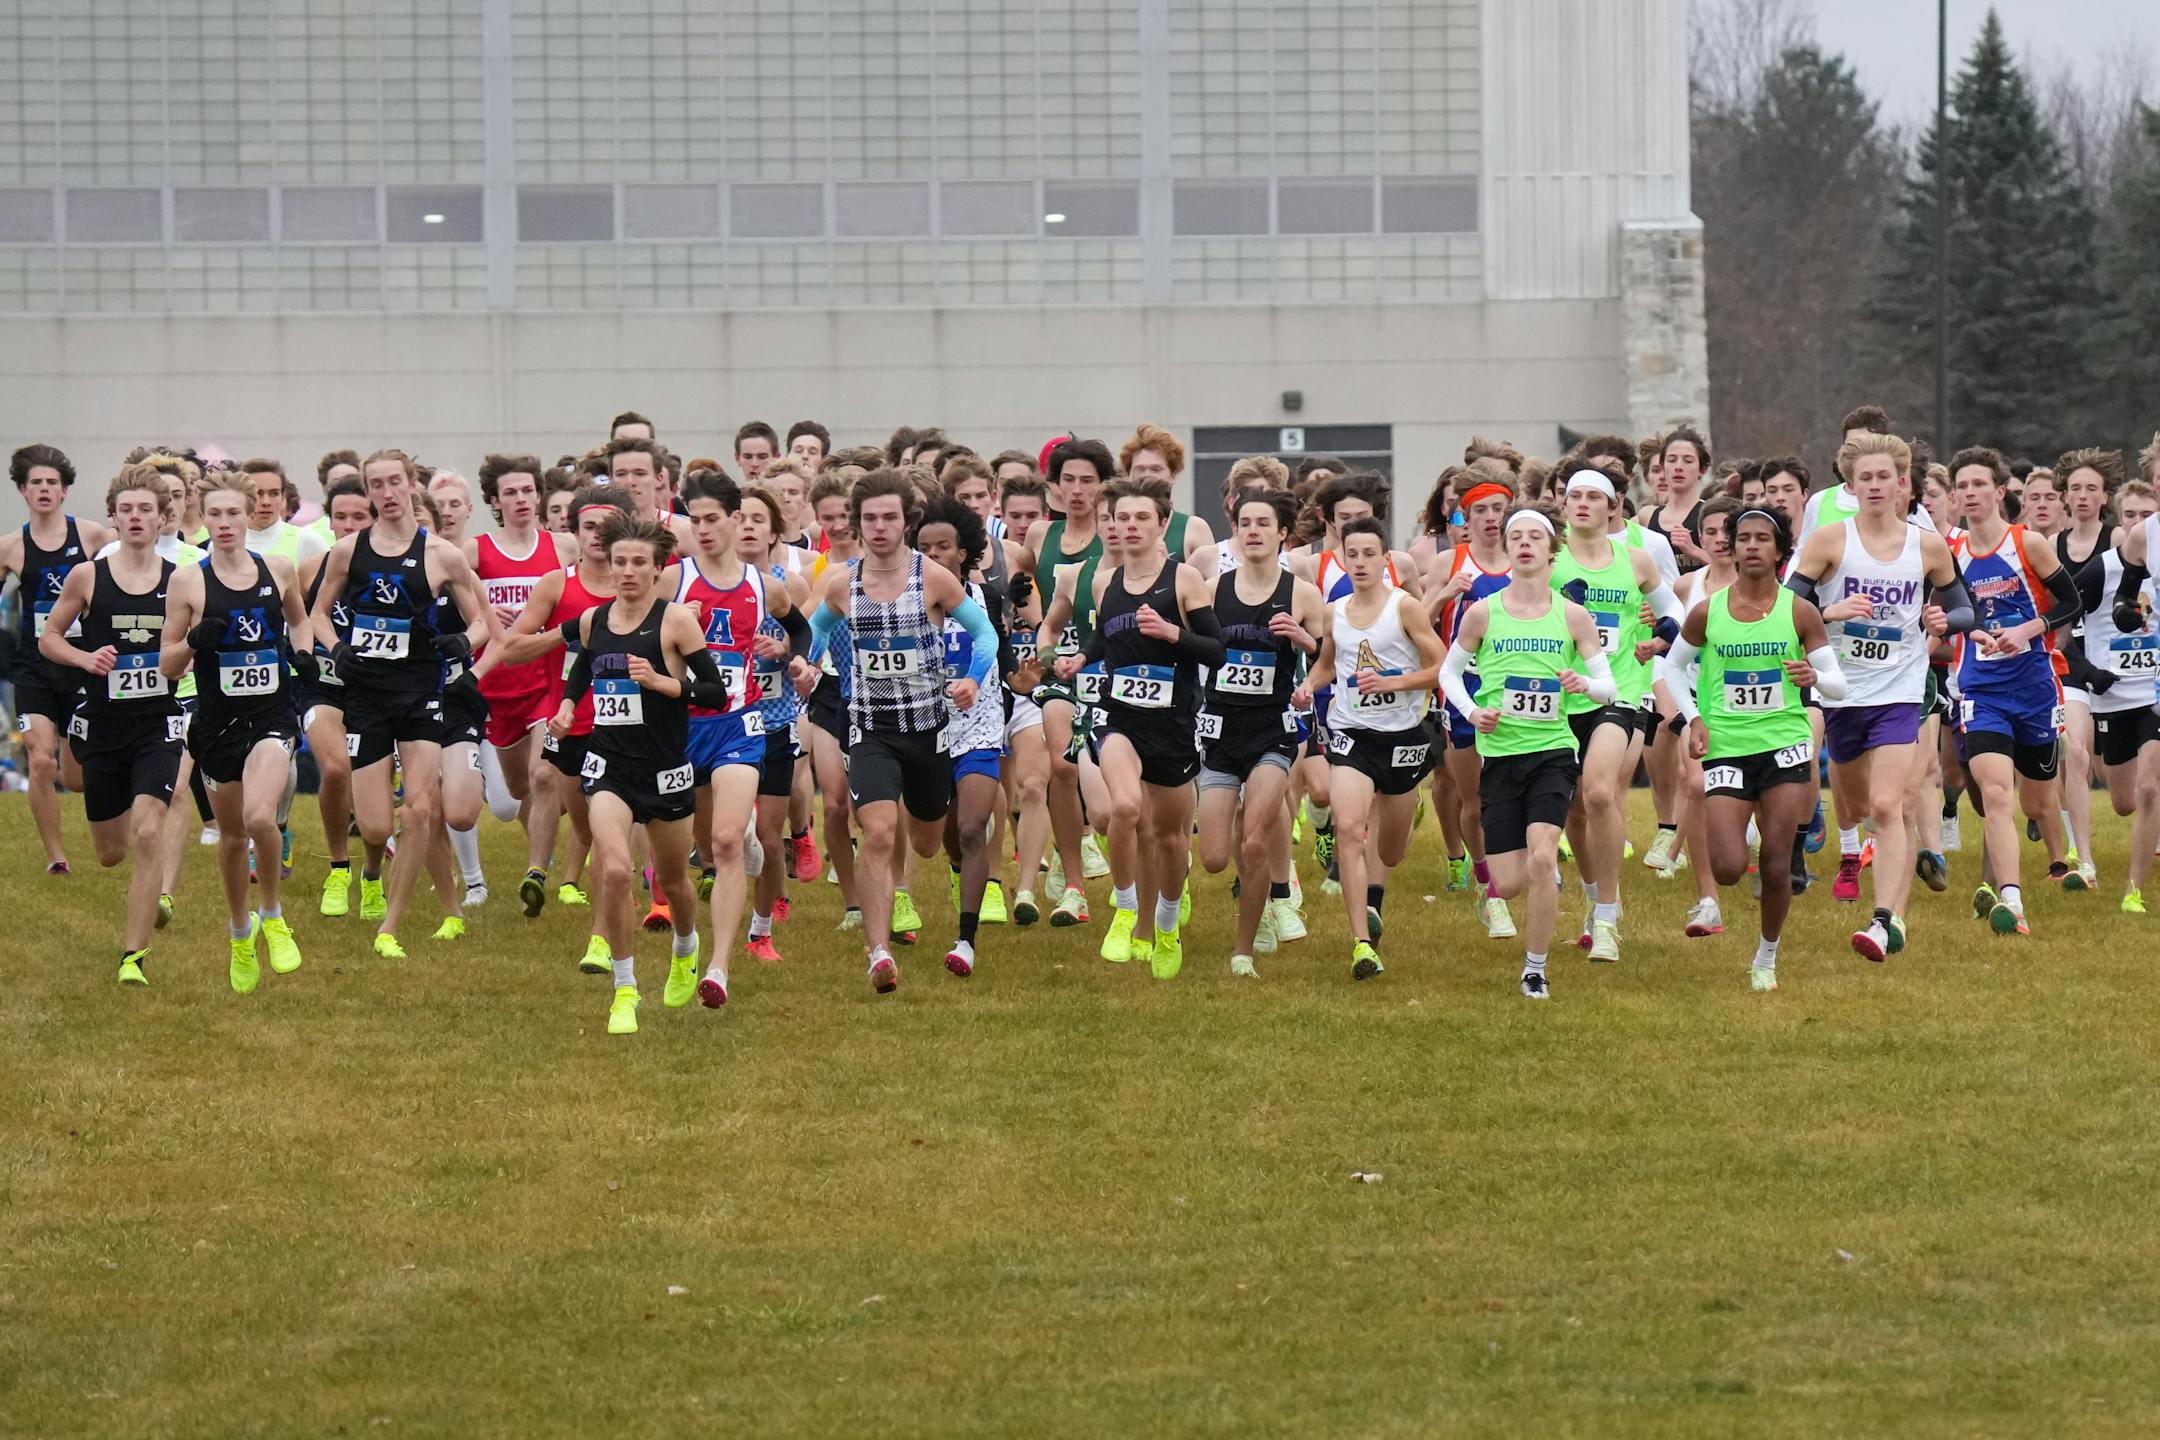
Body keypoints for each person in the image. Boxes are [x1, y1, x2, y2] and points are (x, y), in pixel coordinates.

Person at [798, 469, 1002, 993]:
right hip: (870, 728)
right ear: (858, 524)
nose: (880, 527)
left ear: (906, 522)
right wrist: (807, 666)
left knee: (930, 841)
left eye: (890, 517)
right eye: (870, 519)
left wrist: (973, 682)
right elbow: (817, 631)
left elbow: (985, 636)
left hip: (928, 729)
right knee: (880, 834)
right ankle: (879, 951)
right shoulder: (843, 582)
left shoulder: (932, 577)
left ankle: (951, 875)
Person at [309, 449, 499, 961]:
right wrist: (336, 648)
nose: (388, 493)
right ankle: (452, 912)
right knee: (374, 825)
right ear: (368, 492)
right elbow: (318, 614)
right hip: (365, 697)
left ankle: (389, 927)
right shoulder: (348, 552)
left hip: (422, 697)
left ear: (412, 485)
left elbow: (483, 621)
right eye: (378, 485)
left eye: (396, 482)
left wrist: (465, 643)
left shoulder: (442, 554)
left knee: (419, 809)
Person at [550, 512, 737, 1035]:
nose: (628, 571)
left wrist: (662, 683)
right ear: (608, 566)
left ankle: (684, 949)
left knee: (675, 882)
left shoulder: (676, 621)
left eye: (639, 562)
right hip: (608, 766)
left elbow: (715, 692)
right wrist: (566, 710)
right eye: (619, 562)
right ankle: (625, 989)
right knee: (613, 871)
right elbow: (582, 672)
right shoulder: (594, 621)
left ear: (658, 568)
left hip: (667, 770)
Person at [1787, 434, 1971, 957]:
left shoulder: (1926, 545)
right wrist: (1830, 613)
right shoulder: (1829, 541)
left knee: (1890, 806)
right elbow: (1786, 611)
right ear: (1850, 484)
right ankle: (1875, 882)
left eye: (1883, 477)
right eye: (1863, 477)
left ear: (1901, 484)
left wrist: (1942, 617)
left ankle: (1885, 920)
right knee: (1858, 805)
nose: (1873, 485)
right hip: (1841, 691)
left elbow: (1965, 611)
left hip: (1900, 690)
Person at [1661, 508, 1847, 989]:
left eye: (1762, 538)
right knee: (1726, 868)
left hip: (1784, 746)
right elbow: (1672, 670)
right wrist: (1695, 717)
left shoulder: (1799, 611)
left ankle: (1767, 956)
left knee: (1777, 860)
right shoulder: (1708, 611)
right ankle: (1743, 858)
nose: (1750, 546)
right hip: (1727, 746)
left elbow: (1839, 685)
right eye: (1742, 538)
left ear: (1780, 550)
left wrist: (1815, 678)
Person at [1052, 476, 1223, 979]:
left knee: (1170, 838)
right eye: (1120, 518)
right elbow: (1106, 640)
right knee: (1124, 807)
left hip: (1172, 725)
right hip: (1118, 717)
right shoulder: (1105, 582)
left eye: (1140, 517)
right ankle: (1126, 910)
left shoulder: (1184, 579)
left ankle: (1165, 923)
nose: (1128, 526)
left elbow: (1216, 649)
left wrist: (1172, 633)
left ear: (1162, 524)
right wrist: (1079, 658)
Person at [1439, 508, 1615, 997]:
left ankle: (1534, 968)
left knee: (1541, 858)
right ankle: (1517, 888)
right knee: (1509, 882)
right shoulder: (1483, 612)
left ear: (1550, 550)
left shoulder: (1572, 614)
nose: (1524, 543)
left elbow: (1609, 687)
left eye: (1535, 536)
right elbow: (1448, 674)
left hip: (1553, 753)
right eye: (1515, 536)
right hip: (1499, 758)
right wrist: (1473, 713)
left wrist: (1584, 683)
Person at [161, 476, 314, 992]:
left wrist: (305, 656)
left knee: (259, 817)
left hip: (272, 714)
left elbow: (299, 620)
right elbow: (166, 664)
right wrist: (193, 643)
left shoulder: (279, 568)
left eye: (233, 513)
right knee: (231, 837)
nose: (224, 524)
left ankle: (273, 915)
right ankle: (240, 932)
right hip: (216, 723)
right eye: (215, 515)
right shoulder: (188, 582)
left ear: (250, 515)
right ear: (202, 519)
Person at [37, 465, 184, 984]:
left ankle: (133, 958)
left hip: (159, 724)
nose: (137, 517)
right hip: (103, 724)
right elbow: (49, 637)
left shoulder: (181, 580)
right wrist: (84, 659)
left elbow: (196, 646)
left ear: (164, 518)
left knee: (148, 833)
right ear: (114, 518)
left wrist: (191, 651)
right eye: (127, 509)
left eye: (146, 509)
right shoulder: (88, 576)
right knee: (109, 852)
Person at [1295, 517, 1447, 979]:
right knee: (1347, 828)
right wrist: (1307, 686)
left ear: (1385, 560)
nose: (1359, 562)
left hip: (1402, 738)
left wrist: (1393, 682)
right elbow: (1326, 664)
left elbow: (1442, 666)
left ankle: (1407, 800)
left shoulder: (1406, 608)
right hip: (1351, 735)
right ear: (1343, 558)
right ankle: (1362, 943)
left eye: (1368, 554)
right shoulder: (1333, 611)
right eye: (1352, 554)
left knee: (1392, 851)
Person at [492, 484, 637, 966]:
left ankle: (602, 937)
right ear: (572, 532)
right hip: (570, 723)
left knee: (611, 832)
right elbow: (511, 649)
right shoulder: (557, 584)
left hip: (629, 726)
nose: (599, 536)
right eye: (590, 526)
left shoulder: (641, 585)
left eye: (608, 525)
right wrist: (569, 632)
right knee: (589, 830)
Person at [670, 473, 806, 988]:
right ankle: (688, 941)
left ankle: (719, 968)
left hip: (740, 725)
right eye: (694, 520)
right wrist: (678, 629)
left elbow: (800, 629)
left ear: (733, 519)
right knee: (705, 847)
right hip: (683, 728)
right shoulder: (673, 581)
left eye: (711, 519)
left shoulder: (765, 587)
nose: (702, 530)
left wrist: (792, 656)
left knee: (727, 842)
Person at [1549, 464, 1685, 964]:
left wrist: (1657, 639)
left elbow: (1677, 615)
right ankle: (1592, 897)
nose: (1582, 503)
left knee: (1601, 792)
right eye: (1574, 496)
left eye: (1594, 497)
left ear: (1613, 508)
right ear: (1563, 507)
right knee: (1575, 809)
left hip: (1618, 692)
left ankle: (1607, 917)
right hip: (1558, 696)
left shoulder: (1636, 561)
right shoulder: (1549, 557)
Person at [1947, 446, 2084, 937]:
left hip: (2035, 688)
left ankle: (2053, 754)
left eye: (1979, 484)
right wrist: (1945, 621)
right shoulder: (1951, 551)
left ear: (2000, 491)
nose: (1969, 493)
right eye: (1961, 486)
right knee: (1997, 795)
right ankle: (2012, 900)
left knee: (2036, 799)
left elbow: (2072, 602)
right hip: (1981, 691)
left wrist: (2029, 629)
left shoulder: (2028, 544)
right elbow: (1950, 612)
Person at [1197, 488, 1325, 975]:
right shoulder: (1212, 590)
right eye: (1244, 523)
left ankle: (1245, 947)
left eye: (1263, 524)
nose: (1252, 531)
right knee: (1212, 856)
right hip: (1219, 730)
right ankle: (1259, 896)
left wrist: (1307, 651)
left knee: (1254, 841)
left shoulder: (1301, 593)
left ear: (1282, 534)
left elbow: (1327, 659)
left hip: (1272, 730)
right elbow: (1191, 649)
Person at [914, 495, 1019, 977]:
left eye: (943, 547)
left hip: (978, 723)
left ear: (963, 552)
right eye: (924, 547)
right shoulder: (901, 605)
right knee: (942, 838)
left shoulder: (986, 600)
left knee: (974, 827)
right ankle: (960, 871)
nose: (933, 555)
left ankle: (966, 940)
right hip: (924, 726)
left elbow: (1004, 661)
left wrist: (1021, 680)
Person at [2, 444, 110, 874]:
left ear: (64, 491)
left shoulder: (93, 536)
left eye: (52, 483)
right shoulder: (11, 547)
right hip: (34, 667)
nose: (44, 490)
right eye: (36, 484)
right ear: (23, 492)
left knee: (76, 777)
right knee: (39, 756)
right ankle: (56, 856)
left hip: (82, 663)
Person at [1423, 472, 1521, 936]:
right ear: (1464, 516)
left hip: (1520, 696)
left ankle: (1513, 875)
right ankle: (1486, 882)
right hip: (1462, 694)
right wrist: (1445, 593)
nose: (1489, 519)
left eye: (1498, 510)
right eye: (1478, 511)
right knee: (1475, 800)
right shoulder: (1451, 561)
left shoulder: (1528, 559)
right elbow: (1414, 619)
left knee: (1514, 792)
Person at [2068, 479, 2160, 912]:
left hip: (2155, 690)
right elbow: (2061, 623)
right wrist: (2088, 672)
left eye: (2146, 514)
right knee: (2123, 800)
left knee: (2149, 788)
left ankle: (2133, 890)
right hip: (2114, 696)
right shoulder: (2104, 568)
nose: (2138, 524)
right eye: (2131, 515)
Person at [2051, 449, 2123, 891]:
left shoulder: (2118, 543)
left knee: (2125, 796)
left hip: (2118, 670)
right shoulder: (2053, 547)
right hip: (2072, 669)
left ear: (2105, 496)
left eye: (2090, 489)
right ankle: (2085, 861)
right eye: (2074, 488)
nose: (2081, 496)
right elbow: (2057, 621)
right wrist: (2079, 664)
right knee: (2075, 754)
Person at [1118, 424, 1217, 568]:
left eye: (1156, 469)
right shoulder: (1115, 526)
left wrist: (1168, 570)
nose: (1147, 476)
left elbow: (1211, 586)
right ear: (1129, 475)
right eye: (1140, 469)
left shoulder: (1193, 528)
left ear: (1172, 475)